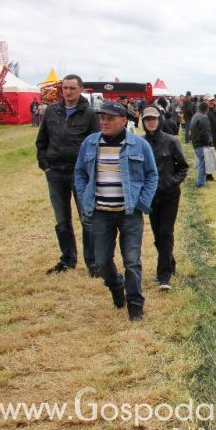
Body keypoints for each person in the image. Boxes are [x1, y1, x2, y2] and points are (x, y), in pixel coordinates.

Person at [75, 101, 158, 321]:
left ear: (124, 121)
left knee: (132, 261)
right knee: (101, 262)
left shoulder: (139, 145)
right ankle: (116, 286)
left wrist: (142, 203)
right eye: (102, 117)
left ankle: (135, 305)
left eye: (110, 118)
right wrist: (85, 199)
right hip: (100, 213)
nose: (104, 122)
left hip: (129, 213)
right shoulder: (89, 144)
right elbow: (80, 173)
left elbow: (152, 175)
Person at [35, 75, 100, 276]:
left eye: (72, 88)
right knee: (62, 220)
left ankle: (93, 263)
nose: (68, 92)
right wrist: (45, 164)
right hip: (55, 173)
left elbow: (97, 144)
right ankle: (67, 259)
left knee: (87, 218)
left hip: (79, 174)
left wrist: (90, 171)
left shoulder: (89, 114)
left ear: (81, 89)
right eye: (65, 88)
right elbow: (41, 140)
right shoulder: (51, 111)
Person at [141, 106, 188, 290]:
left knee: (166, 232)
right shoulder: (141, 143)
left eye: (154, 118)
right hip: (151, 198)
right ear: (143, 122)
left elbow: (183, 167)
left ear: (159, 120)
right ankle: (170, 263)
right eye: (147, 119)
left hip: (169, 195)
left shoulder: (171, 141)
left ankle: (164, 275)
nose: (151, 122)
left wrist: (172, 182)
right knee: (157, 235)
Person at [189, 101, 213, 187]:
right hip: (201, 144)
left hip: (195, 142)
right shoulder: (203, 117)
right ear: (206, 109)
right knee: (203, 164)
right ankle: (200, 183)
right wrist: (208, 143)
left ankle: (200, 181)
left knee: (201, 163)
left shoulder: (195, 115)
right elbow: (206, 132)